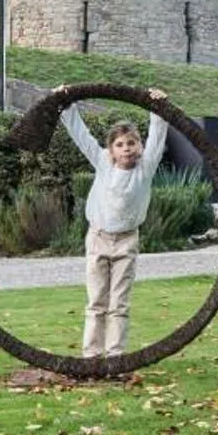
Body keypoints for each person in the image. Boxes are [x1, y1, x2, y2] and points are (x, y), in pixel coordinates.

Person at [63, 95, 170, 360]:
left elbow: (158, 137)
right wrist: (66, 105)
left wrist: (157, 108)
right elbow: (82, 137)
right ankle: (92, 355)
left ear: (141, 147)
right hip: (98, 237)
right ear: (111, 150)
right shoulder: (103, 163)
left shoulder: (145, 168)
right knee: (97, 301)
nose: (126, 149)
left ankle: (115, 356)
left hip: (127, 240)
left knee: (119, 303)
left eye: (132, 143)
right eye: (120, 145)